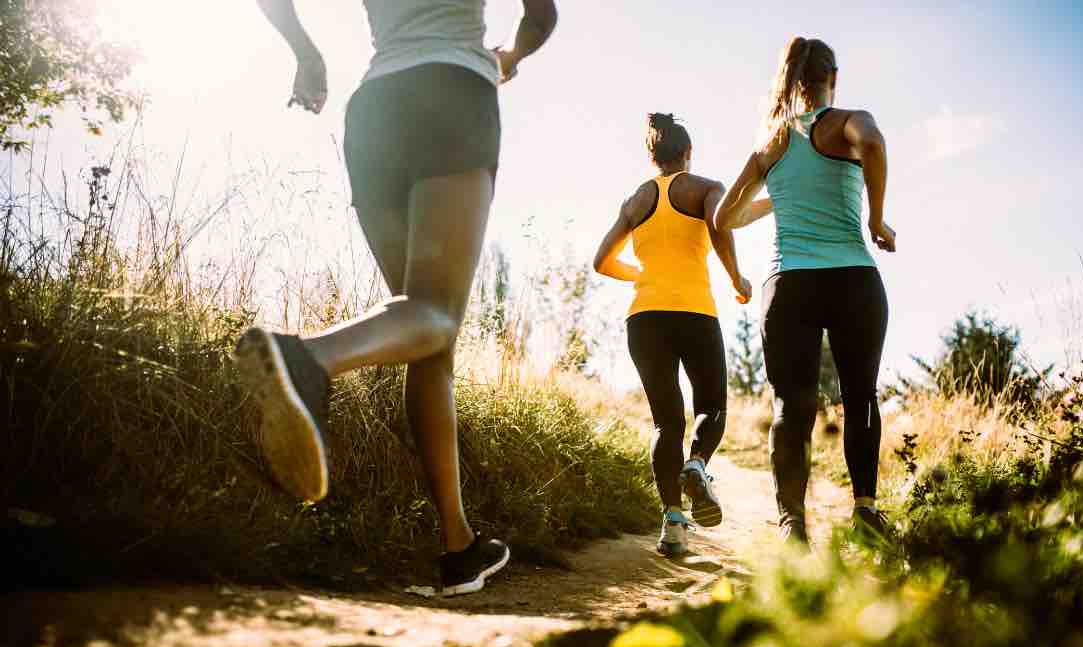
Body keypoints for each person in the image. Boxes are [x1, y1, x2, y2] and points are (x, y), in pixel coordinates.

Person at [239, 0, 557, 595]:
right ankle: (305, 360)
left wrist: (307, 56)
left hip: (376, 108)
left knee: (424, 332)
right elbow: (541, 15)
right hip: (453, 92)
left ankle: (459, 547)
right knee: (434, 314)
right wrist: (511, 56)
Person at [715, 36, 896, 547]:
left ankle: (792, 522)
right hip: (852, 279)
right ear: (831, 76)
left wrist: (778, 198)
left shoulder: (771, 143)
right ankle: (864, 511)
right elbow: (875, 145)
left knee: (791, 406)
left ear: (791, 81)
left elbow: (723, 216)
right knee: (859, 395)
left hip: (788, 283)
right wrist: (877, 220)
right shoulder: (847, 122)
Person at [593, 113, 753, 556]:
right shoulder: (705, 187)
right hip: (695, 312)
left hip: (644, 317)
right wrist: (738, 279)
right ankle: (698, 465)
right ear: (687, 153)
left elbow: (601, 261)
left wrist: (641, 274)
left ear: (652, 157)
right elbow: (720, 230)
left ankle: (674, 524)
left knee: (666, 421)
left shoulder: (636, 200)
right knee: (712, 405)